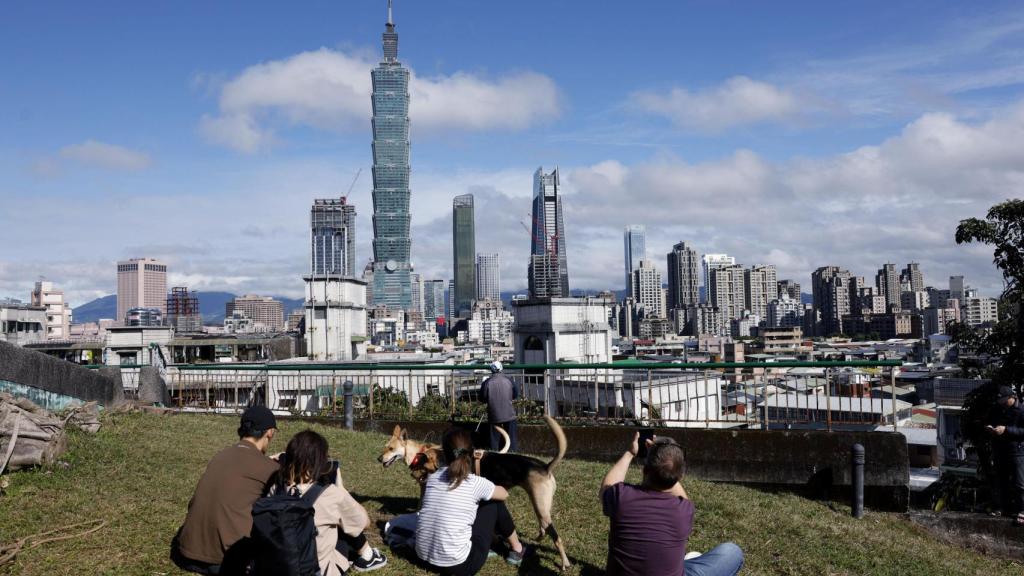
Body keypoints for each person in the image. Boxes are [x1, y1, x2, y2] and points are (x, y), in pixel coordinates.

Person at [600, 432, 744, 576]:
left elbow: (607, 486)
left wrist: (630, 453)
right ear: (679, 477)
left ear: (644, 470)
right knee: (733, 552)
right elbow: (683, 496)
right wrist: (668, 466)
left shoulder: (622, 498)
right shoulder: (684, 510)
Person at [171, 406, 281, 575]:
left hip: (186, 552)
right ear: (270, 432)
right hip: (225, 561)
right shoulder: (269, 468)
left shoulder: (221, 455)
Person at [415, 427, 532, 575]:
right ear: (472, 452)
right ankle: (517, 549)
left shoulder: (433, 478)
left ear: (444, 453)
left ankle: (504, 545)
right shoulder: (475, 482)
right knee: (493, 502)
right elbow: (504, 494)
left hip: (423, 556)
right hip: (459, 566)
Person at [270, 430, 387, 574]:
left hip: (280, 567)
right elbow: (364, 523)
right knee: (343, 524)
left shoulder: (275, 489)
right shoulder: (330, 495)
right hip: (316, 570)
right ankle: (368, 557)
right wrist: (342, 489)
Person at [987, 385, 1024, 526]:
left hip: (1017, 451)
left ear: (1012, 397)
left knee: (1020, 483)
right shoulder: (998, 409)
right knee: (1002, 481)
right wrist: (991, 428)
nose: (1001, 403)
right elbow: (992, 421)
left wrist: (1007, 430)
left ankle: (1022, 510)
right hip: (1000, 449)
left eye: (1003, 400)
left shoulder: (1021, 410)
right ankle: (1004, 508)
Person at [480, 361, 518, 452]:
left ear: (491, 370)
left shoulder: (487, 382)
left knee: (494, 438)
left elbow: (482, 398)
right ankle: (512, 453)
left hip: (494, 415)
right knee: (511, 437)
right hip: (509, 414)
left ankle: (495, 453)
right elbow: (515, 394)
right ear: (501, 369)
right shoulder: (509, 380)